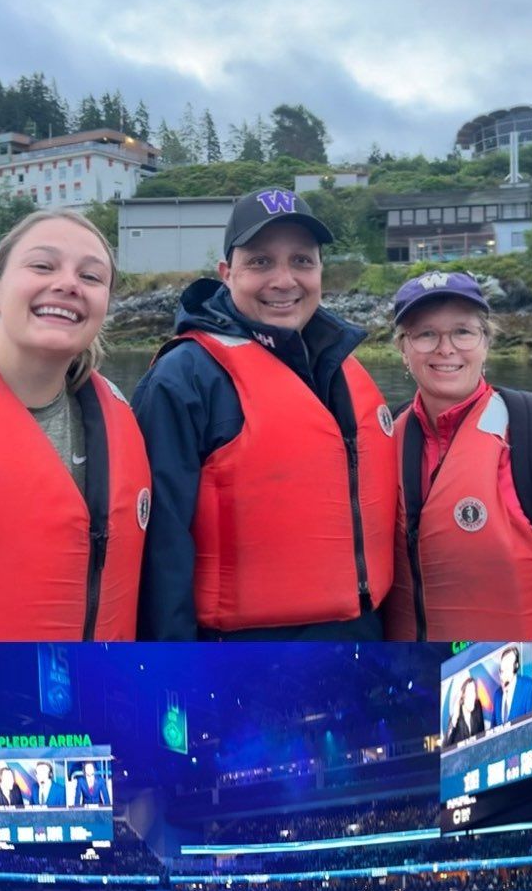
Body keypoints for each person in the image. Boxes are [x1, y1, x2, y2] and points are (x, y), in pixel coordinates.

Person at [131, 189, 398, 641]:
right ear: (226, 273)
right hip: (243, 655)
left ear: (319, 272)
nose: (284, 280)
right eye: (260, 262)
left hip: (360, 643)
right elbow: (159, 550)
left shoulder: (342, 368)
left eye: (301, 261)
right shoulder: (184, 379)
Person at [0, 210, 149, 640]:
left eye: (91, 277)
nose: (69, 284)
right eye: (43, 265)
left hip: (80, 698)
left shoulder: (118, 414)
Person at [376, 271, 532, 642]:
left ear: (486, 343)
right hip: (415, 681)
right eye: (425, 334)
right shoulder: (384, 441)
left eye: (463, 332)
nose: (445, 348)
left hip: (526, 685)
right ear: (403, 349)